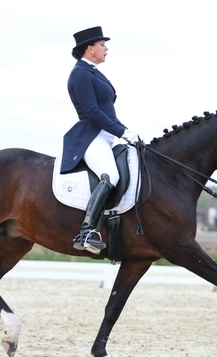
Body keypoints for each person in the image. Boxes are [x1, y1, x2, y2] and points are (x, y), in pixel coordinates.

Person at [60, 26, 139, 254]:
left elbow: (106, 110)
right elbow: (93, 112)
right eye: (102, 44)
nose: (106, 48)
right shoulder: (80, 73)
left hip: (106, 136)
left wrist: (123, 130)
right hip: (91, 137)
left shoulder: (93, 71)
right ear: (90, 48)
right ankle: (86, 232)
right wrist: (122, 132)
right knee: (110, 176)